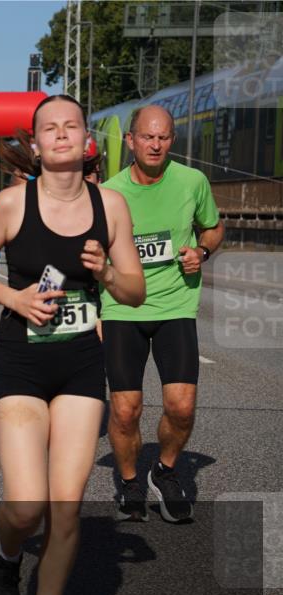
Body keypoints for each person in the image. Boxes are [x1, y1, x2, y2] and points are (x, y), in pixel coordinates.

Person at [0, 95, 144, 595]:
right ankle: (6, 555)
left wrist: (106, 271)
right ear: (35, 145)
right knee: (26, 505)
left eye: (71, 126)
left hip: (82, 366)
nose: (61, 135)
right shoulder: (13, 204)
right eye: (49, 129)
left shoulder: (110, 205)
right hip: (21, 361)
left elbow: (133, 291)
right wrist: (14, 296)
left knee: (66, 505)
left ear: (87, 139)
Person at [102, 104, 223, 524]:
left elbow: (213, 226)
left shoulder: (193, 181)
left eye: (164, 137)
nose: (156, 144)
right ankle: (131, 481)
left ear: (172, 140)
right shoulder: (110, 192)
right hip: (122, 308)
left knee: (182, 406)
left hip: (176, 306)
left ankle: (165, 470)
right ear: (131, 140)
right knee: (124, 410)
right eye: (148, 137)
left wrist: (202, 251)